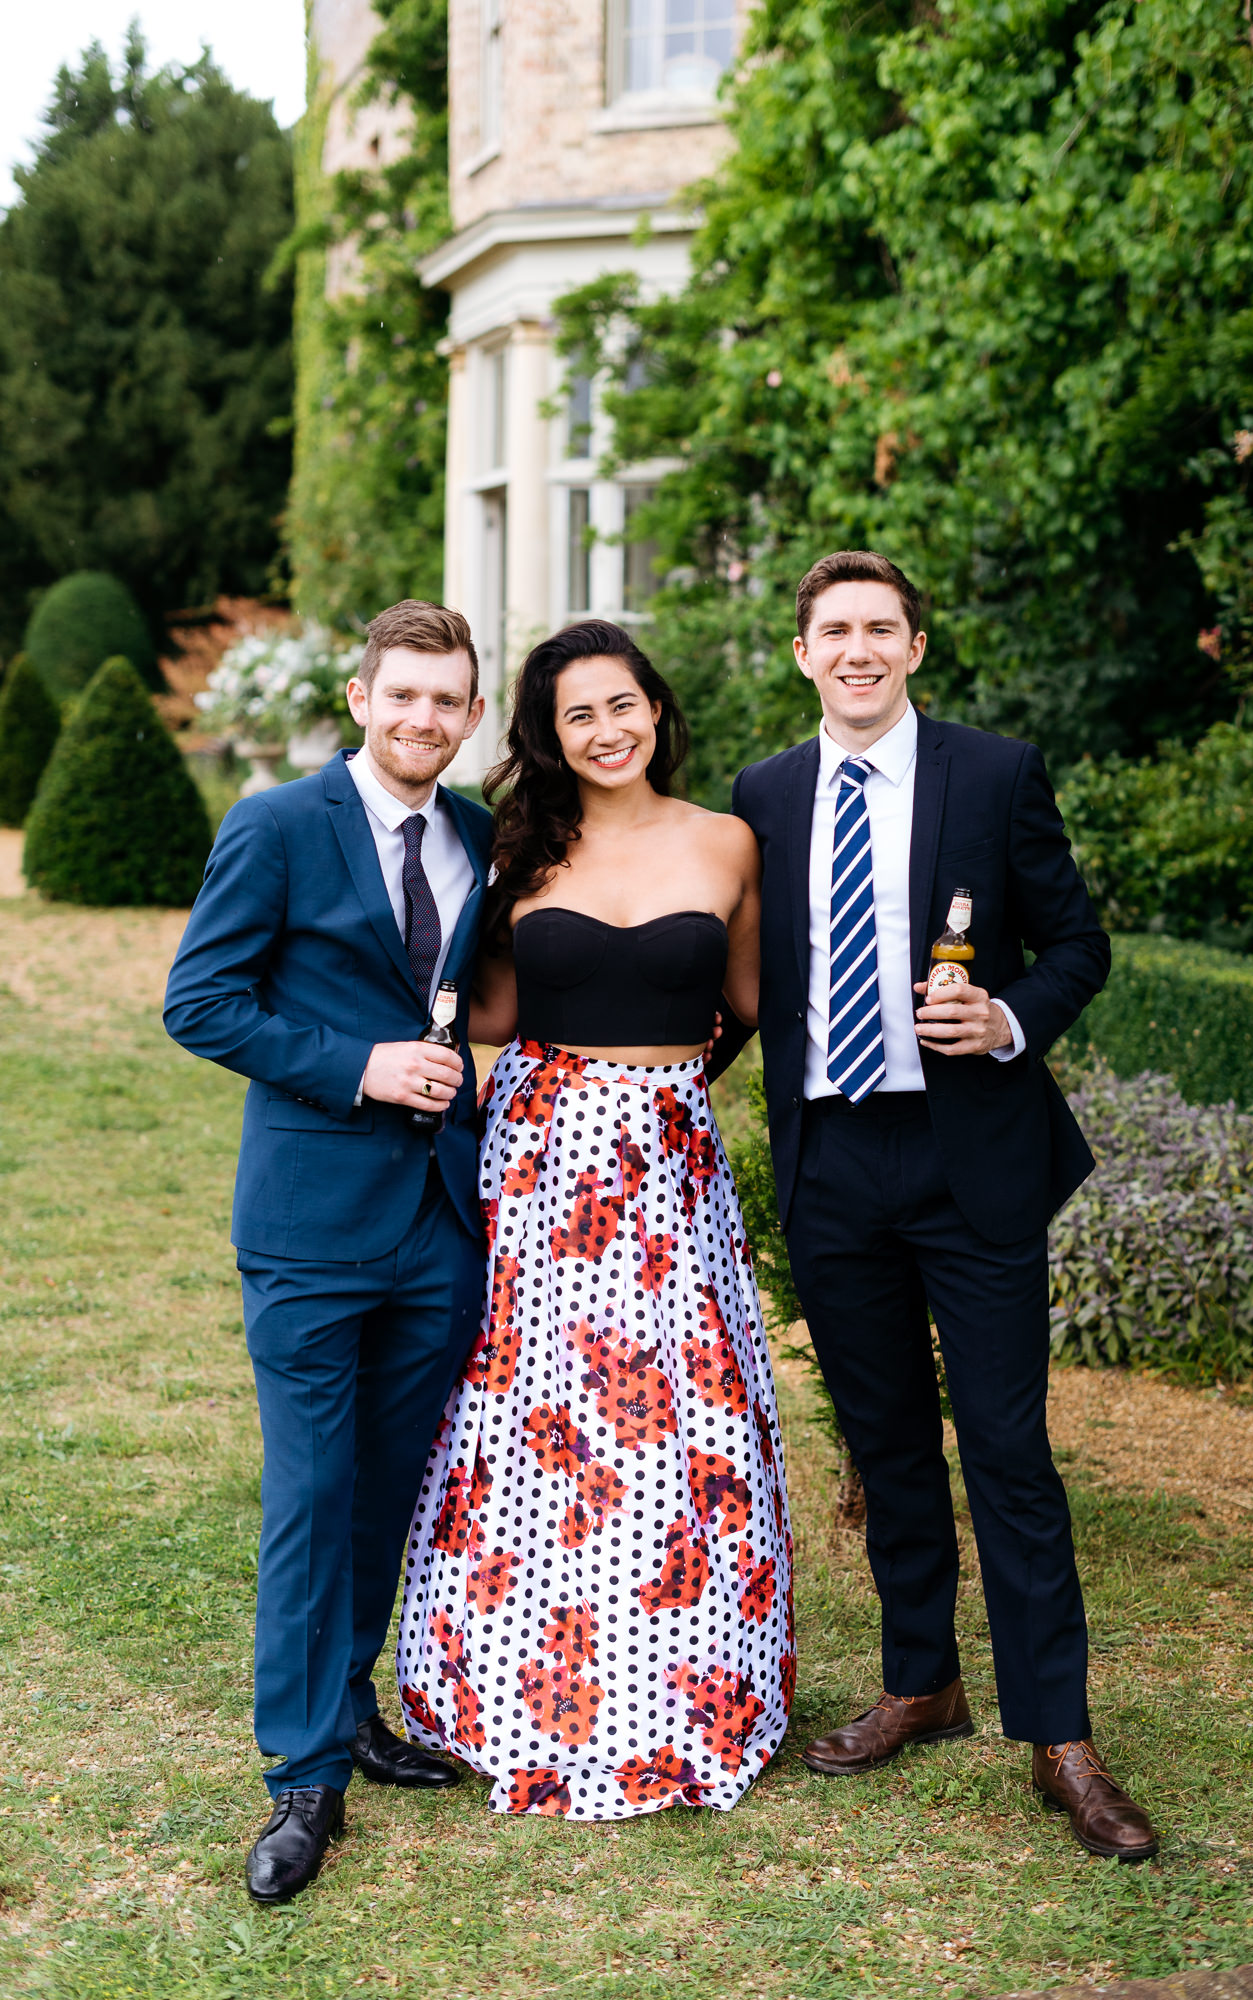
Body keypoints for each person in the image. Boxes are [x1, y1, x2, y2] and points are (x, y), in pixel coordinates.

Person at [722, 549, 1157, 1862]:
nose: (855, 649)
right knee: (888, 1440)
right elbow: (738, 985)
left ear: (913, 647)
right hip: (832, 1162)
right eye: (831, 631)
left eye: (879, 629)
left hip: (969, 1156)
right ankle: (921, 1680)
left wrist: (1011, 1014)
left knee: (1005, 1448)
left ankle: (1057, 1735)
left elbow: (1077, 941)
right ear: (800, 653)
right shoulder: (762, 797)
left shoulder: (994, 773)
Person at [395, 619, 794, 1819]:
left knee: (681, 1421)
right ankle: (520, 1697)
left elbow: (752, 1004)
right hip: (539, 1163)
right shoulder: (521, 851)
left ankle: (685, 1695)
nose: (608, 730)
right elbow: (495, 1014)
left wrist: (660, 1094)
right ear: (550, 736)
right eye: (580, 715)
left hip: (670, 1169)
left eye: (624, 705)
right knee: (539, 1427)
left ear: (657, 710)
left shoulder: (729, 842)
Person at [163, 601, 494, 1903]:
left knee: (383, 1485)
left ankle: (351, 1703)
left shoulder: (476, 836)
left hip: (436, 1226)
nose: (422, 718)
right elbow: (202, 1001)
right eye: (401, 694)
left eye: (446, 700)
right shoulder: (278, 827)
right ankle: (302, 1773)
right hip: (308, 1226)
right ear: (360, 698)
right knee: (309, 1494)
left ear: (470, 718)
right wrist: (356, 1067)